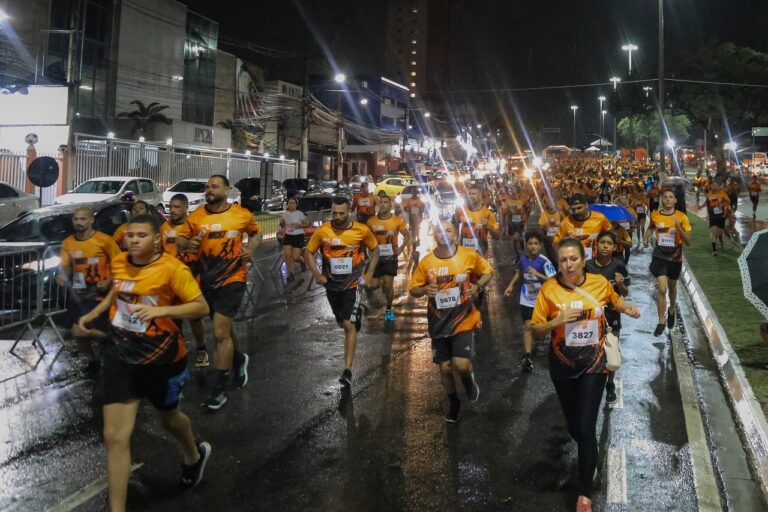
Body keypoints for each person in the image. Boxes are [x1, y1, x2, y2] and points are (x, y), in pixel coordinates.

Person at [76, 214, 211, 512]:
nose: (133, 240)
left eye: (141, 235)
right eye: (130, 235)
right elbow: (116, 292)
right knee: (114, 437)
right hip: (121, 356)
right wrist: (92, 314)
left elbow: (201, 306)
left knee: (169, 419)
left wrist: (159, 311)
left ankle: (193, 454)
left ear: (157, 239)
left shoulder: (172, 269)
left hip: (162, 358)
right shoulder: (121, 262)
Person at [531, 238, 640, 512]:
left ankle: (585, 492)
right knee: (575, 428)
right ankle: (587, 458)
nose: (568, 265)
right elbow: (535, 330)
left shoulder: (599, 283)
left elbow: (614, 301)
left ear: (583, 259)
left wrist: (628, 308)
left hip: (594, 365)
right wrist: (555, 322)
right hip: (562, 365)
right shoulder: (549, 289)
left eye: (573, 259)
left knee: (586, 426)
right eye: (563, 260)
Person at [177, 175, 262, 411]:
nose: (209, 190)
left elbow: (256, 233)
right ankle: (238, 359)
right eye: (207, 187)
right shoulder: (196, 217)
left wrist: (251, 248)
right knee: (222, 327)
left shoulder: (241, 214)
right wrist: (188, 244)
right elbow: (181, 239)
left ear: (227, 189)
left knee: (219, 332)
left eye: (214, 186)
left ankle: (220, 389)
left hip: (233, 278)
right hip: (207, 279)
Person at [410, 220, 493, 422]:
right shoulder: (427, 262)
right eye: (439, 231)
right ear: (434, 235)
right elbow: (413, 289)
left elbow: (487, 272)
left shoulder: (468, 255)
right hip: (438, 321)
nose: (444, 234)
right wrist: (424, 290)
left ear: (454, 234)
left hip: (463, 317)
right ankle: (454, 402)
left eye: (448, 230)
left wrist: (478, 286)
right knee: (445, 368)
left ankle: (468, 379)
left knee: (461, 365)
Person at [305, 196, 380, 388]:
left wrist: (369, 274)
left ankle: (347, 370)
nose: (337, 217)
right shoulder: (323, 231)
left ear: (350, 212)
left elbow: (375, 250)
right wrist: (316, 273)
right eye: (334, 213)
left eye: (342, 213)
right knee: (341, 322)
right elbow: (309, 252)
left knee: (348, 325)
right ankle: (356, 316)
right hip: (331, 284)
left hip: (353, 283)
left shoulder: (361, 230)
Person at [56, 206, 121, 376]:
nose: (79, 222)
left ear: (91, 220)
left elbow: (120, 264)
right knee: (79, 334)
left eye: (83, 219)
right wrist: (62, 275)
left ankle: (115, 344)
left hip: (100, 295)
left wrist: (109, 280)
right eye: (76, 219)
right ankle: (95, 360)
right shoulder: (68, 242)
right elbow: (66, 266)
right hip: (78, 295)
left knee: (79, 331)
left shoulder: (104, 240)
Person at [161, 194, 209, 368]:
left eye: (177, 207)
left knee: (194, 318)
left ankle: (201, 349)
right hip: (170, 281)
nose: (172, 210)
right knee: (174, 317)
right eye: (171, 207)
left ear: (185, 207)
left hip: (191, 278)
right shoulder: (164, 228)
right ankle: (177, 352)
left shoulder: (194, 226)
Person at [585, 231, 629, 405]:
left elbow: (626, 292)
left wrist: (620, 284)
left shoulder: (619, 265)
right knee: (591, 353)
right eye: (602, 242)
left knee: (611, 353)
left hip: (612, 316)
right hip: (591, 317)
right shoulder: (587, 266)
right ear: (596, 245)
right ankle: (590, 385)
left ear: (614, 247)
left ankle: (610, 385)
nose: (605, 246)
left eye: (609, 243)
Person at [503, 231, 556, 372]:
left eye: (536, 244)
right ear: (526, 244)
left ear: (540, 246)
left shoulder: (545, 261)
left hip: (542, 299)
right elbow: (519, 273)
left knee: (542, 328)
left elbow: (553, 280)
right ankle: (527, 356)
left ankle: (551, 345)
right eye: (530, 243)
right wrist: (510, 285)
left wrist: (538, 274)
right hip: (526, 297)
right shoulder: (523, 259)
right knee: (527, 326)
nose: (532, 246)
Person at [644, 189, 692, 336]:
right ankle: (660, 321)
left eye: (671, 197)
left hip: (675, 258)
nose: (668, 199)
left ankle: (671, 310)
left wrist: (678, 228)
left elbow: (688, 241)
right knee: (662, 289)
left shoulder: (681, 217)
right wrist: (646, 237)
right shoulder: (656, 215)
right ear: (662, 200)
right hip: (659, 257)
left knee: (672, 288)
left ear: (675, 200)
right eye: (665, 197)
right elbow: (651, 227)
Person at [366, 194, 410, 321]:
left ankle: (389, 309)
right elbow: (365, 238)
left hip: (390, 259)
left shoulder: (397, 220)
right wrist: (367, 252)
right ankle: (371, 286)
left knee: (387, 286)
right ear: (378, 204)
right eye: (381, 202)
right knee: (373, 285)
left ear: (390, 205)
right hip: (375, 259)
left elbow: (407, 235)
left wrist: (400, 248)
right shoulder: (371, 221)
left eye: (386, 202)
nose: (383, 204)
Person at [553, 193, 612, 261]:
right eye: (573, 209)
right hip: (574, 263)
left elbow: (611, 235)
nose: (576, 211)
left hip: (596, 262)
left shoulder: (600, 218)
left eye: (579, 208)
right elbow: (556, 243)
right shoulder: (566, 222)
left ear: (586, 205)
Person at [454, 183, 500, 257]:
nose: (471, 196)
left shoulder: (487, 213)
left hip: (481, 253)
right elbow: (455, 225)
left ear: (480, 196)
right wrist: (455, 239)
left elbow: (497, 236)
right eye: (469, 193)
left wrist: (488, 226)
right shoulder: (460, 210)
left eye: (474, 194)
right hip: (465, 252)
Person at [280, 197, 309, 281]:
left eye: (293, 203)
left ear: (296, 205)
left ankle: (302, 261)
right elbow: (282, 224)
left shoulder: (300, 214)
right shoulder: (285, 214)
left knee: (295, 257)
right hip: (288, 235)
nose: (291, 204)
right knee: (287, 255)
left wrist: (298, 225)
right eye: (289, 203)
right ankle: (291, 273)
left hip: (298, 235)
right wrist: (282, 224)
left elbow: (307, 224)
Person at [704, 180, 731, 256]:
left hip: (721, 216)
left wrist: (722, 205)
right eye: (713, 185)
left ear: (719, 187)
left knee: (720, 233)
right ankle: (714, 250)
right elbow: (707, 204)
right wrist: (708, 214)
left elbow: (728, 202)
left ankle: (721, 241)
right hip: (713, 216)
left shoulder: (722, 194)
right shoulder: (708, 195)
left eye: (716, 185)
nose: (714, 186)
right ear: (711, 186)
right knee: (714, 232)